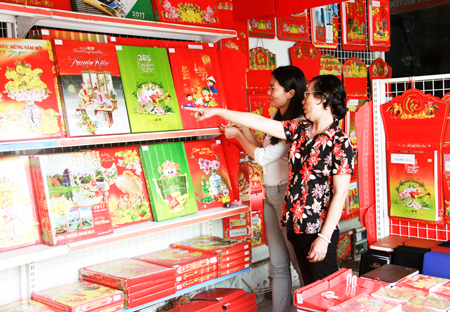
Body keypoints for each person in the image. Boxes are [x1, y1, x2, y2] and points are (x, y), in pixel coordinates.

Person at [184, 75, 353, 286]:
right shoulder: (300, 131)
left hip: (317, 230)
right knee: (308, 290)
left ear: (324, 98)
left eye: (308, 94)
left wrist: (324, 239)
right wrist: (217, 111)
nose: (303, 100)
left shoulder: (339, 141)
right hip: (294, 225)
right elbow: (260, 122)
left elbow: (340, 194)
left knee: (327, 291)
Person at [220, 66, 305, 312]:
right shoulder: (277, 119)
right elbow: (263, 150)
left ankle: (308, 306)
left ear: (290, 92)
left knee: (298, 263)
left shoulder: (296, 124)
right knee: (277, 264)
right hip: (270, 193)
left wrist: (237, 135)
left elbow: (262, 157)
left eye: (272, 87)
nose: (267, 91)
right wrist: (244, 131)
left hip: (284, 195)